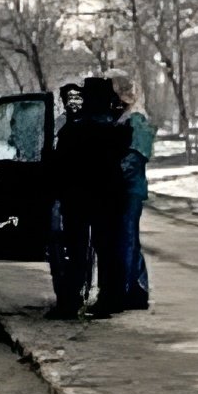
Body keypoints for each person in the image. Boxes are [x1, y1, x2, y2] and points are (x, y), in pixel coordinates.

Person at [75, 74, 155, 315]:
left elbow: (136, 155)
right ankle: (133, 289)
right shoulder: (121, 119)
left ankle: (132, 290)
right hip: (123, 187)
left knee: (126, 239)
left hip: (129, 189)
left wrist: (112, 171)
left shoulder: (135, 119)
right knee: (123, 240)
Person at [48, 83, 93, 316]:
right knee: (74, 250)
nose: (73, 103)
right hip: (75, 198)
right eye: (69, 98)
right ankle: (71, 295)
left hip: (73, 198)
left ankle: (70, 299)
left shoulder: (72, 129)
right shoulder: (67, 126)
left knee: (73, 250)